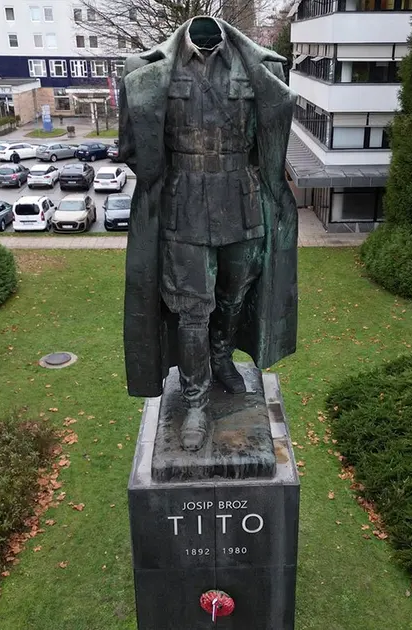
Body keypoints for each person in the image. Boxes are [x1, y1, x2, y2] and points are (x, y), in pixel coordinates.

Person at [120, 17, 298, 451]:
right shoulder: (146, 70)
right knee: (192, 311)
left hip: (242, 203)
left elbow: (271, 141)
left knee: (235, 296)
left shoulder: (263, 68)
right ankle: (195, 402)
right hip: (183, 209)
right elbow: (132, 148)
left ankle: (221, 356)